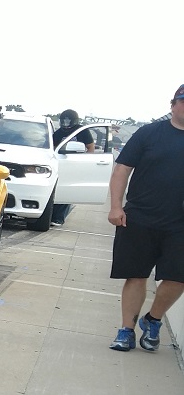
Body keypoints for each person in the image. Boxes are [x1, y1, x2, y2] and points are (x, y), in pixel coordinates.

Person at [107, 83, 184, 352]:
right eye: (183, 101)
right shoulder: (149, 133)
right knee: (136, 275)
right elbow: (122, 169)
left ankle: (153, 319)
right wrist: (116, 207)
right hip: (140, 217)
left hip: (180, 225)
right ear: (173, 104)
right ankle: (126, 330)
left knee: (178, 278)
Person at [50, 109, 93, 226]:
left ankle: (58, 218)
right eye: (63, 121)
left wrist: (85, 161)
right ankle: (51, 215)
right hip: (61, 163)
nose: (65, 123)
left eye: (68, 121)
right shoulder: (58, 133)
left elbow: (90, 147)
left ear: (74, 121)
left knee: (67, 190)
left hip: (75, 164)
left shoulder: (82, 131)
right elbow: (52, 148)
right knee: (57, 189)